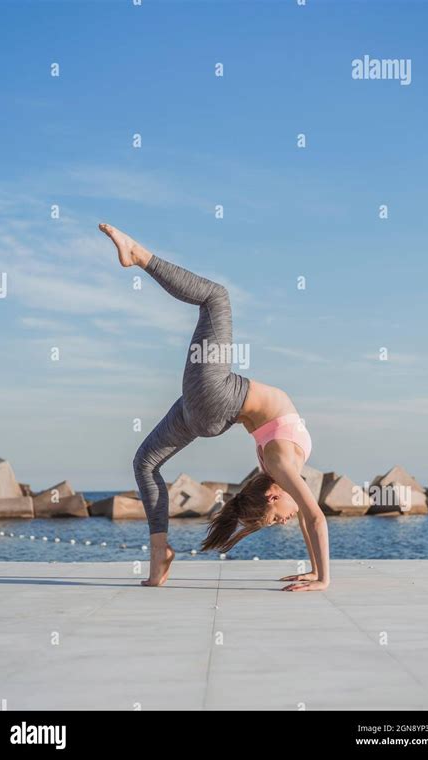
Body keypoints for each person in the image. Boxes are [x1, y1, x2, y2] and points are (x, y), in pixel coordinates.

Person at [99, 223, 330, 592]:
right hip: (210, 409)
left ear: (272, 493)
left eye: (273, 519)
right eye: (274, 521)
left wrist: (323, 578)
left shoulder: (281, 465)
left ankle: (138, 255)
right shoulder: (283, 467)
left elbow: (314, 517)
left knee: (216, 298)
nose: (283, 521)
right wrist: (319, 576)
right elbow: (310, 518)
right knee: (145, 462)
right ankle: (160, 555)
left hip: (215, 397)